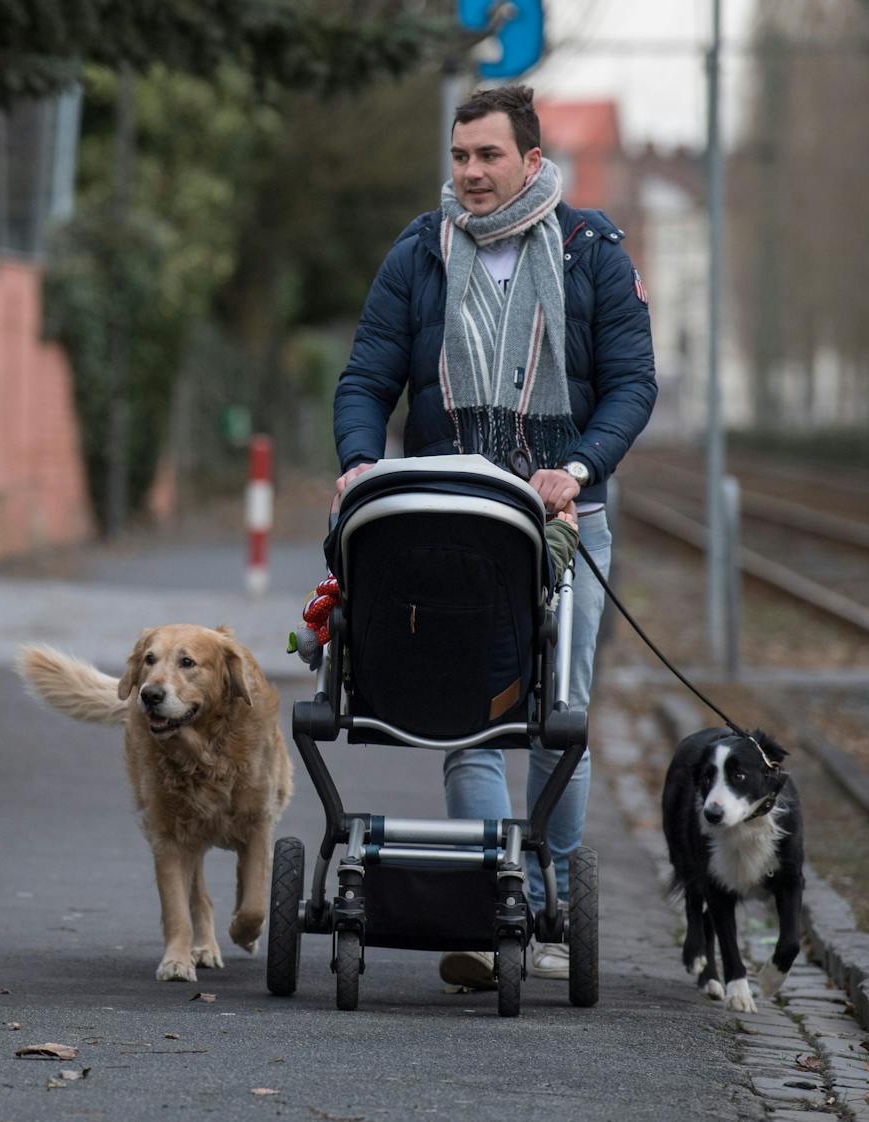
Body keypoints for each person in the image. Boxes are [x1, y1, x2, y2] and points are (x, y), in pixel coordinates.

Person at [331, 84, 656, 987]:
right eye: (460, 156)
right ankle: (484, 908)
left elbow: (633, 383)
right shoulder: (418, 253)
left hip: (564, 520)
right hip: (456, 520)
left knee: (558, 709)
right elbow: (366, 377)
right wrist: (360, 460)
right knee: (471, 710)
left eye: (489, 157)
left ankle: (550, 902)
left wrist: (579, 466)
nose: (471, 174)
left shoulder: (591, 251)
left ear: (531, 161)